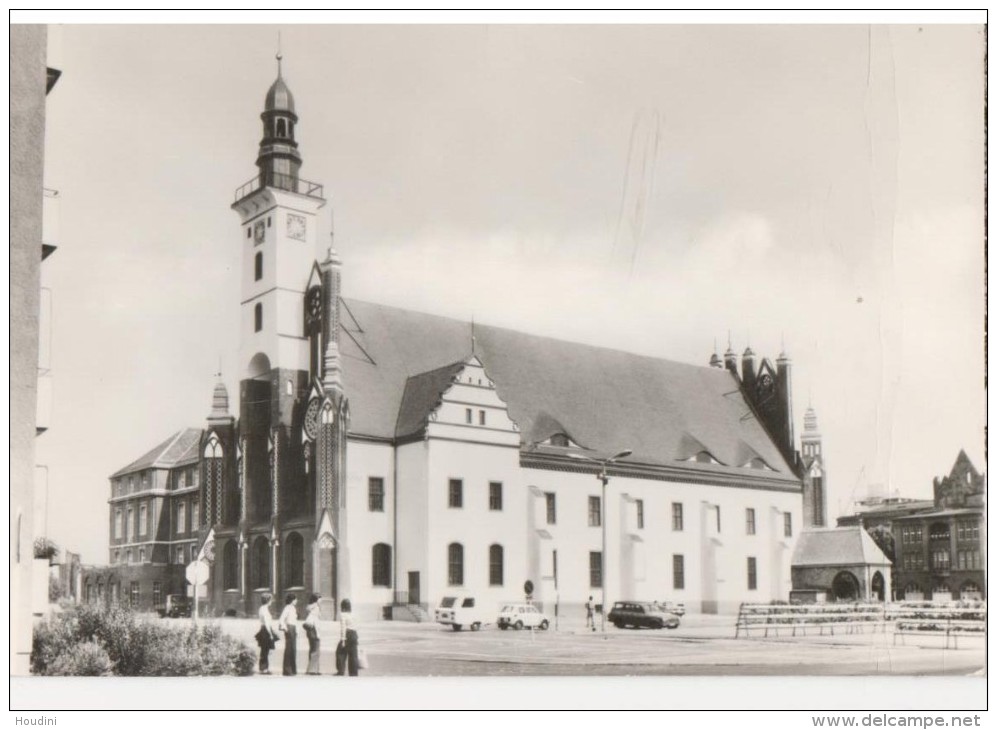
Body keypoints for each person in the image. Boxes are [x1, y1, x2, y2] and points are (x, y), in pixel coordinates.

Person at [336, 598, 360, 677]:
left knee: (340, 652)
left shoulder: (343, 615)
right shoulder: (353, 614)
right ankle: (353, 673)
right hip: (354, 634)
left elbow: (343, 627)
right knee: (353, 655)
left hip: (348, 634)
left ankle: (341, 670)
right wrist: (357, 637)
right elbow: (357, 626)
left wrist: (343, 640)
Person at [255, 593, 277, 674]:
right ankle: (264, 669)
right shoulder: (265, 609)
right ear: (268, 600)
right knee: (265, 650)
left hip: (263, 629)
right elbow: (267, 623)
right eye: (271, 600)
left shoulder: (262, 608)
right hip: (266, 630)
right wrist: (271, 634)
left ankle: (264, 668)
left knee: (264, 650)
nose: (271, 601)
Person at [278, 593, 299, 676]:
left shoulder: (293, 608)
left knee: (293, 649)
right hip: (289, 628)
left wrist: (296, 630)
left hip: (293, 629)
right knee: (289, 649)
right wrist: (285, 628)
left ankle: (293, 670)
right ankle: (287, 670)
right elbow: (281, 619)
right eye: (295, 599)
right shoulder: (287, 608)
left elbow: (295, 620)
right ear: (292, 600)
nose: (296, 601)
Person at [302, 593, 322, 675]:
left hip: (310, 630)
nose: (321, 600)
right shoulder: (316, 607)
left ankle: (312, 669)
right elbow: (316, 622)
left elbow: (307, 608)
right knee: (315, 650)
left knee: (312, 649)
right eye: (320, 598)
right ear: (316, 599)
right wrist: (318, 634)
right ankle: (313, 670)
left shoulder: (312, 607)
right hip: (314, 630)